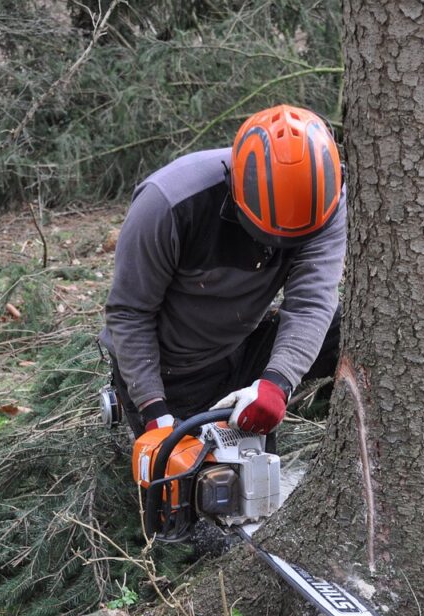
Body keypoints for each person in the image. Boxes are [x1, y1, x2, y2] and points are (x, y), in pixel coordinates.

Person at [99, 104, 345, 439]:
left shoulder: (326, 198)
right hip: (173, 368)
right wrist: (154, 410)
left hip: (245, 339)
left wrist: (277, 382)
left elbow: (311, 301)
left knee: (349, 328)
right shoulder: (169, 203)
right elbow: (130, 312)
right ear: (236, 187)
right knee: (198, 478)